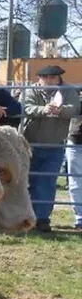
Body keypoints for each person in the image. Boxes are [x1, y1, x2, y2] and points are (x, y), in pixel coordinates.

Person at [19, 64, 80, 233]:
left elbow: (75, 108)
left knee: (47, 182)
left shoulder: (68, 91)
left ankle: (42, 218)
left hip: (55, 145)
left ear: (59, 78)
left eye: (52, 77)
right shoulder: (31, 90)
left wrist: (61, 110)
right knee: (28, 182)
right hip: (29, 144)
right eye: (45, 77)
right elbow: (26, 107)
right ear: (39, 79)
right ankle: (27, 216)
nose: (48, 80)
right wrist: (43, 110)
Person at [65, 95, 82, 231]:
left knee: (76, 181)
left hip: (75, 139)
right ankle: (80, 218)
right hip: (76, 139)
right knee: (76, 182)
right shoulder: (74, 95)